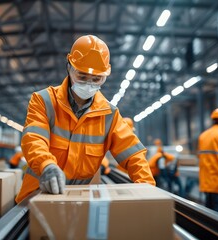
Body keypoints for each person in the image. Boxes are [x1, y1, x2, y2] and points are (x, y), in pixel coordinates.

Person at [15, 35, 155, 203]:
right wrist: (47, 166)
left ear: (105, 76)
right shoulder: (44, 101)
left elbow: (134, 156)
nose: (89, 84)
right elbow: (34, 139)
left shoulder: (109, 115)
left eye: (96, 79)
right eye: (82, 76)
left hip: (76, 200)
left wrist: (147, 190)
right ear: (69, 67)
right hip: (37, 195)